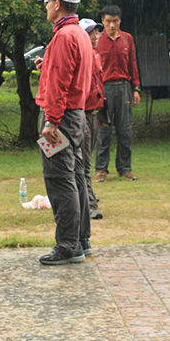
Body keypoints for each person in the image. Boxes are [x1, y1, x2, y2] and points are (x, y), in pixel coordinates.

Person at [33, 0, 92, 265]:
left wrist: (51, 121)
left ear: (58, 4)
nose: (46, 6)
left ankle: (68, 246)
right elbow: (72, 74)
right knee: (76, 176)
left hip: (60, 117)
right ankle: (81, 239)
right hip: (76, 114)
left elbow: (59, 84)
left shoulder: (62, 36)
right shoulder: (79, 33)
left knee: (59, 178)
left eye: (47, 2)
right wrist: (47, 66)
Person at [95, 4, 141, 181]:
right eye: (108, 21)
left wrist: (135, 88)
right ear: (102, 21)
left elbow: (133, 63)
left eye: (115, 21)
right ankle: (101, 169)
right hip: (104, 88)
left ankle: (124, 168)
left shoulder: (127, 39)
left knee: (125, 130)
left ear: (120, 21)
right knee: (103, 130)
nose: (112, 25)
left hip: (124, 87)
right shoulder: (97, 40)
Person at [78, 18, 104, 221]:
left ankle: (84, 196)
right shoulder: (79, 58)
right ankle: (89, 202)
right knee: (83, 162)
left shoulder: (96, 56)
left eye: (96, 32)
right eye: (90, 33)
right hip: (82, 114)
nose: (95, 36)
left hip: (94, 114)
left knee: (87, 160)